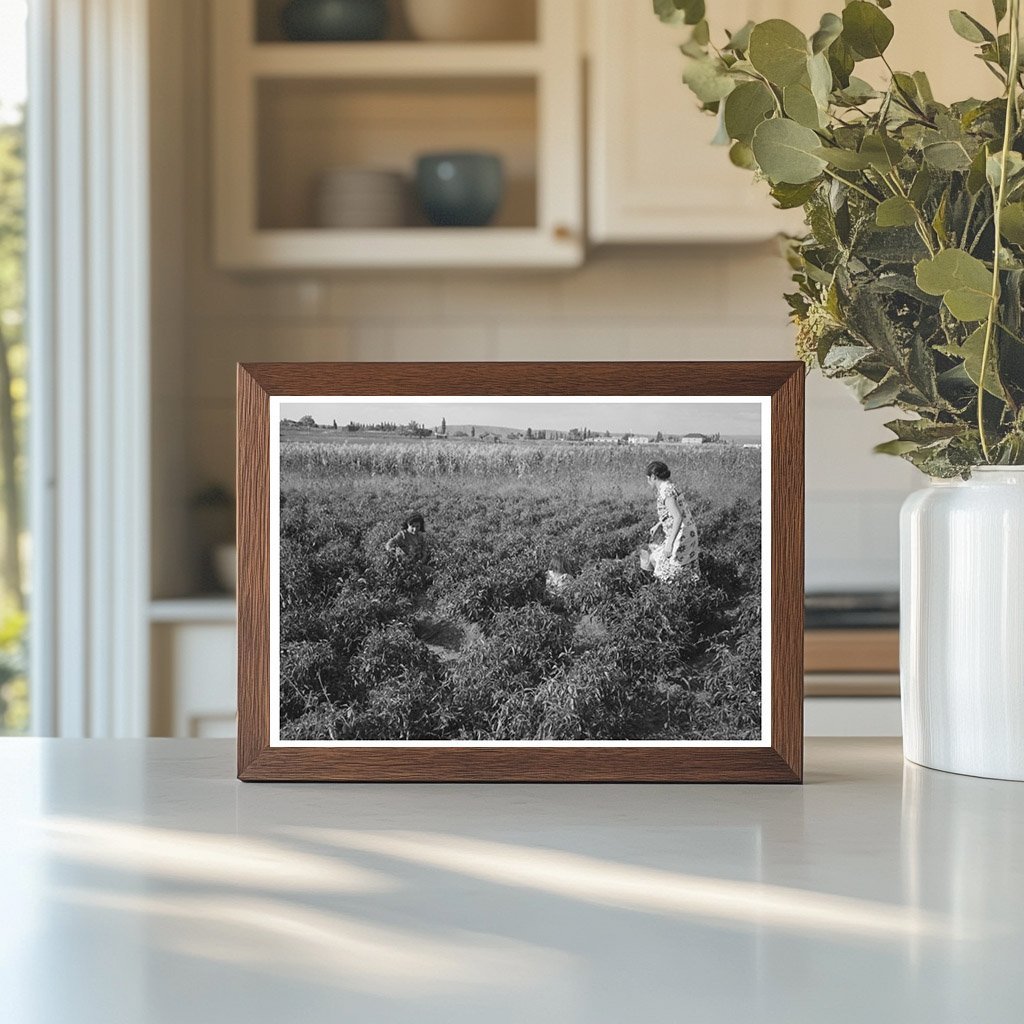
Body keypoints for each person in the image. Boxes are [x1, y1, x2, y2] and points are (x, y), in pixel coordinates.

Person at [640, 461, 699, 582]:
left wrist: (670, 544)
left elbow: (677, 517)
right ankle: (684, 589)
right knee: (673, 564)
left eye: (648, 478)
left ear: (653, 477)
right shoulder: (670, 486)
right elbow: (674, 512)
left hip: (681, 535)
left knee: (668, 568)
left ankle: (673, 592)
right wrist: (659, 524)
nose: (647, 482)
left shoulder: (666, 492)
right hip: (688, 531)